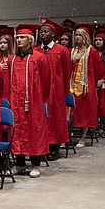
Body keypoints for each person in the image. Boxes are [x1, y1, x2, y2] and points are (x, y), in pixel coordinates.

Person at [8, 24, 50, 177]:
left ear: (30, 40)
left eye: (22, 37)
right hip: (15, 102)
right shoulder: (12, 59)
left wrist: (38, 98)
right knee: (17, 131)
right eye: (17, 37)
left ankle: (35, 164)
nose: (19, 40)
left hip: (33, 102)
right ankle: (19, 164)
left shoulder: (39, 58)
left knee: (34, 131)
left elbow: (46, 81)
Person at [37, 19, 70, 160]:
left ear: (53, 34)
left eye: (46, 32)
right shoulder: (36, 51)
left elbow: (67, 71)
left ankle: (54, 148)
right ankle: (42, 147)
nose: (43, 34)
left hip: (56, 89)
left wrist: (62, 88)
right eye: (41, 32)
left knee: (55, 118)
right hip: (39, 90)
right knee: (42, 118)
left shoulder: (61, 50)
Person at [68, 27, 102, 148]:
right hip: (72, 86)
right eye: (76, 35)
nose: (77, 37)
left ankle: (83, 136)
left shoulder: (92, 51)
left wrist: (92, 84)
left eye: (80, 35)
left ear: (85, 37)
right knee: (71, 111)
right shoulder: (72, 51)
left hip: (86, 87)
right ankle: (69, 135)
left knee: (86, 112)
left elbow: (97, 69)